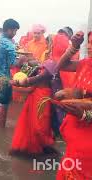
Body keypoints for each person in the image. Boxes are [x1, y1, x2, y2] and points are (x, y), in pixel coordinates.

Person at [55, 31, 92, 179]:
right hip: (76, 127)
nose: (89, 46)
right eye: (89, 42)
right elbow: (62, 65)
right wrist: (74, 46)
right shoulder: (85, 63)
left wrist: (84, 115)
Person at [9, 60, 57, 157]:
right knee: (32, 122)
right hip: (36, 97)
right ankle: (40, 146)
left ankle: (42, 146)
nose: (41, 68)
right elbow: (31, 86)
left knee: (39, 125)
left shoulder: (46, 74)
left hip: (42, 98)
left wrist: (14, 84)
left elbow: (29, 84)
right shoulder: (43, 71)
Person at [0, 19, 24, 128]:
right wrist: (22, 60)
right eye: (14, 31)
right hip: (4, 79)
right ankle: (2, 130)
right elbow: (12, 64)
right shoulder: (9, 44)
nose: (15, 34)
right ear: (9, 30)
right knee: (3, 104)